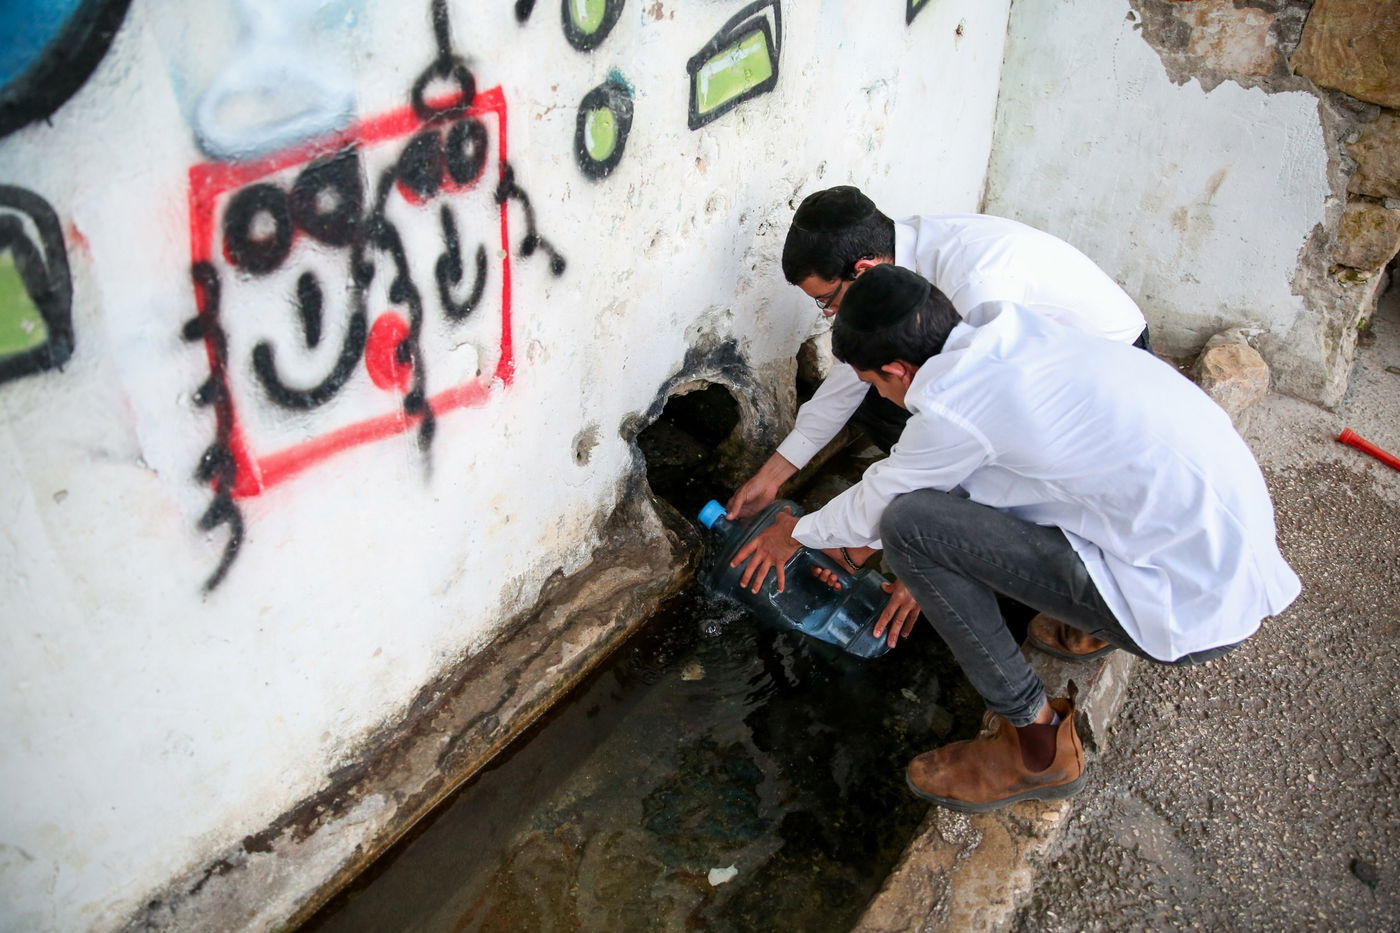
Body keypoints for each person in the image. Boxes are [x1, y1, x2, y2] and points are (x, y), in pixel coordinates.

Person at [730, 265, 1300, 812]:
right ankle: (1083, 625)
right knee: (969, 497)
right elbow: (994, 479)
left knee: (907, 529)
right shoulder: (1011, 335)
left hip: (1186, 606)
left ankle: (1036, 744)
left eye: (873, 382)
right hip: (1225, 556)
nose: (877, 396)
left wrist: (797, 533)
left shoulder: (955, 406)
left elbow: (882, 502)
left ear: (899, 369)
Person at [726, 185, 1149, 523]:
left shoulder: (977, 285)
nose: (830, 312)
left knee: (966, 457)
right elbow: (848, 377)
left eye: (827, 299)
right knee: (879, 394)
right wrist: (774, 475)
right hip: (1022, 366)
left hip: (1104, 368)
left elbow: (983, 413)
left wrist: (876, 545)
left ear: (864, 269)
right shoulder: (896, 255)